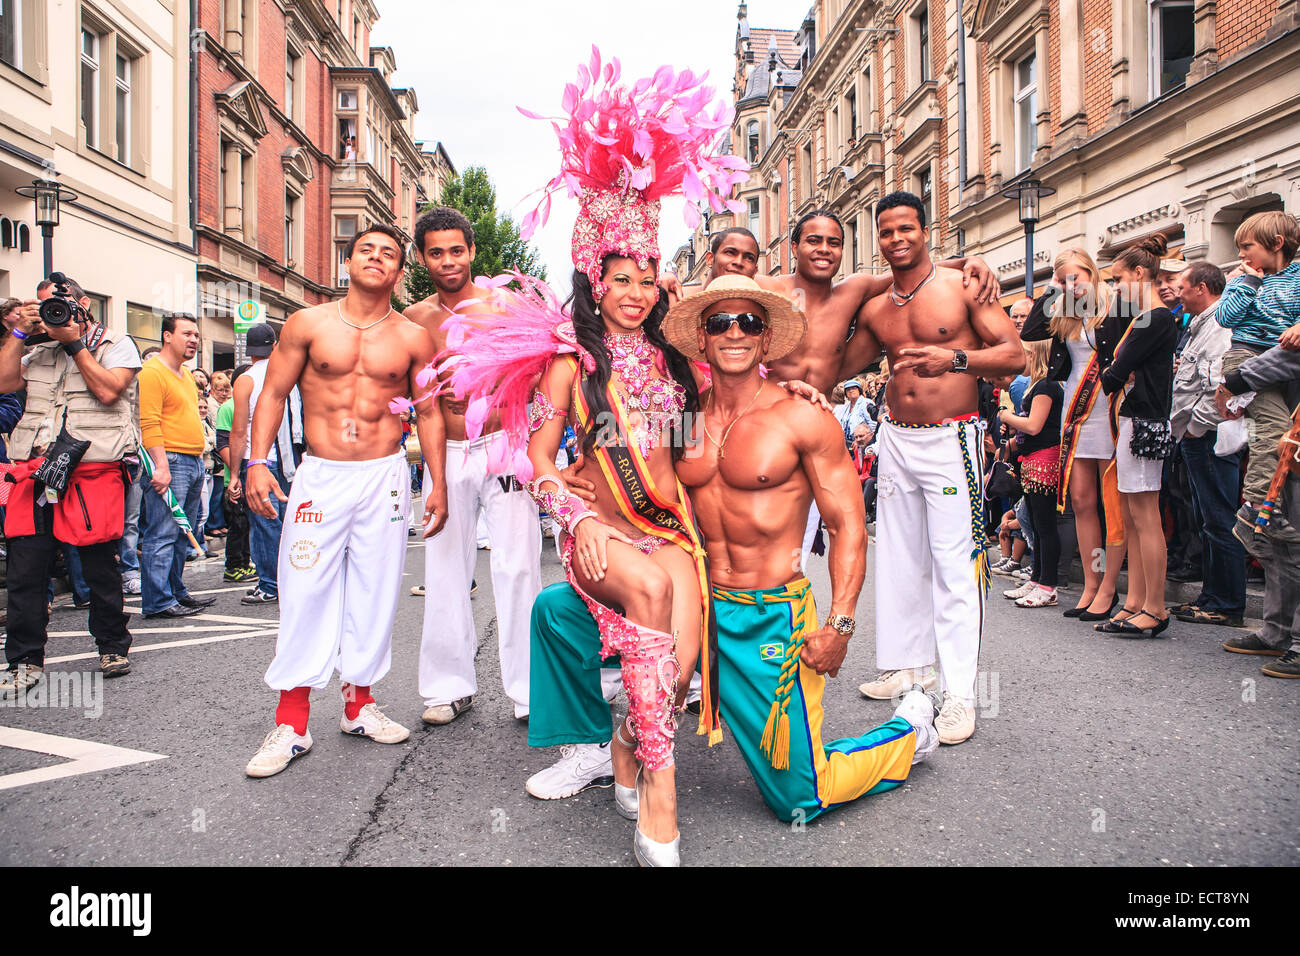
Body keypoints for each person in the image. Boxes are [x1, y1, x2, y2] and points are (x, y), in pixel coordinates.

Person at [444, 55, 753, 865]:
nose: (638, 291)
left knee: (677, 667)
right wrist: (574, 512)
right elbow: (538, 459)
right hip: (601, 531)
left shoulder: (679, 362)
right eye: (623, 278)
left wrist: (713, 439)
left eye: (649, 277)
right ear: (595, 277)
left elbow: (683, 463)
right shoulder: (568, 360)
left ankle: (626, 744)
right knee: (646, 594)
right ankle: (661, 790)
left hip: (669, 528)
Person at [525, 274, 938, 828]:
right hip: (695, 595)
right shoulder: (685, 415)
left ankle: (910, 728)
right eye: (721, 322)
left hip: (767, 614)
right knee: (556, 610)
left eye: (750, 322)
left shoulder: (800, 415)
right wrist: (578, 484)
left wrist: (840, 623)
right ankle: (608, 745)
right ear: (702, 337)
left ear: (767, 340)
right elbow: (644, 478)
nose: (735, 332)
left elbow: (848, 523)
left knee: (797, 796)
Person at [243, 223, 446, 778]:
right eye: (366, 250)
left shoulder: (411, 338)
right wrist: (256, 462)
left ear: (399, 273)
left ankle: (359, 705)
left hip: (383, 476)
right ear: (348, 262)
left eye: (389, 254)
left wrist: (439, 483)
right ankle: (292, 721)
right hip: (322, 476)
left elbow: (427, 412)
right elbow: (273, 394)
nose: (377, 259)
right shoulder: (308, 323)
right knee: (305, 586)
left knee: (375, 589)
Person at [847, 191, 1025, 745]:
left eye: (906, 228)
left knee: (956, 566)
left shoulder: (962, 286)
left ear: (925, 229)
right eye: (886, 232)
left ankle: (961, 695)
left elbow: (1015, 355)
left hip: (955, 439)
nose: (897, 239)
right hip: (897, 438)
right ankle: (911, 670)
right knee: (901, 561)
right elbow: (834, 359)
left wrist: (954, 359)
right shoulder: (877, 306)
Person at [404, 206, 541, 725]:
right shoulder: (416, 320)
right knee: (443, 568)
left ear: (473, 251)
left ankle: (529, 692)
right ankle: (447, 687)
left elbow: (540, 374)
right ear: (422, 258)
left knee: (519, 567)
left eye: (456, 250)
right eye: (436, 253)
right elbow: (421, 403)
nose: (447, 261)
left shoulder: (505, 307)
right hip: (447, 453)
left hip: (505, 445)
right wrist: (435, 477)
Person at [0, 275, 140, 694]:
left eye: (58, 304)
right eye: (42, 305)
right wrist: (18, 333)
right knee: (25, 567)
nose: (50, 312)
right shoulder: (33, 348)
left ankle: (112, 645)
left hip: (90, 470)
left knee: (98, 563)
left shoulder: (117, 343)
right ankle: (25, 660)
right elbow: (4, 384)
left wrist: (76, 344)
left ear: (83, 305)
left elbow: (110, 391)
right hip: (34, 469)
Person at [1020, 248, 1129, 620]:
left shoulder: (1115, 307)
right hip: (1076, 410)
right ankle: (1091, 585)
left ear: (1091, 273)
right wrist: (1051, 289)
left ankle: (1110, 588)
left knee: (1110, 504)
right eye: (1064, 279)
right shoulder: (1065, 314)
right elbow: (1030, 330)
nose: (1072, 285)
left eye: (1076, 277)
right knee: (1082, 502)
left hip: (1107, 407)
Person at [1096, 235, 1179, 637]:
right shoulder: (1142, 317)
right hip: (1137, 418)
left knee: (1145, 516)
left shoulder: (1155, 318)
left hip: (1145, 419)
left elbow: (1113, 371)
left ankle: (1156, 606)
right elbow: (1110, 359)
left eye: (1118, 280)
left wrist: (1116, 370)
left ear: (1140, 274)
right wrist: (1115, 369)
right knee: (1133, 514)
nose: (1115, 288)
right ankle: (1136, 600)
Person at [1215, 329, 1300, 677]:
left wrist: (1235, 379)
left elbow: (1285, 359)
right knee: (1283, 544)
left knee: (1293, 544)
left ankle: (1295, 641)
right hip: (1292, 437)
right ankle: (1276, 633)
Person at [1215, 210, 1300, 536]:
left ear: (1276, 243)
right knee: (1273, 427)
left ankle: (1271, 510)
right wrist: (1248, 282)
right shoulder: (1241, 279)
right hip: (1245, 358)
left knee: (1283, 438)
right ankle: (1255, 505)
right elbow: (1225, 317)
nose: (1240, 254)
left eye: (1246, 245)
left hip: (1281, 363)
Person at [1168, 262, 1243, 627]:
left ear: (1201, 288)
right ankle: (1212, 597)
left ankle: (1226, 603)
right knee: (1208, 519)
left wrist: (1196, 428)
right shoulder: (1200, 326)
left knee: (1219, 519)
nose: (1177, 293)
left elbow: (1218, 387)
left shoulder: (1217, 326)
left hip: (1209, 438)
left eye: (1182, 286)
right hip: (1196, 437)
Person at [136, 314, 215, 619]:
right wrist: (159, 466)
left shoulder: (183, 373)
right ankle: (158, 600)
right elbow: (149, 421)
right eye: (186, 334)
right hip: (170, 460)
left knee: (184, 532)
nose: (193, 339)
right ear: (167, 336)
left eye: (196, 335)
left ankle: (175, 591)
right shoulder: (153, 372)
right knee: (163, 533)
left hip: (193, 460)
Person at [227, 323, 304, 606]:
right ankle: (290, 579)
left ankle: (271, 584)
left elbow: (238, 431)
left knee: (264, 523)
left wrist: (235, 473)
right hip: (290, 459)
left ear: (249, 352)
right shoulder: (291, 378)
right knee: (288, 522)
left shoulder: (245, 380)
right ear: (274, 346)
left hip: (258, 459)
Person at [998, 340, 1064, 607]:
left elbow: (1034, 425)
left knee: (1045, 525)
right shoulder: (1039, 385)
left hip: (1044, 459)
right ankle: (1037, 580)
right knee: (1035, 523)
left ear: (1035, 355)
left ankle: (1047, 585)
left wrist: (1006, 416)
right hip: (1032, 459)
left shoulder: (1047, 385)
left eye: (1023, 353)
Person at [216, 364, 254, 582]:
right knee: (237, 524)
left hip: (250, 474)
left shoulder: (252, 406)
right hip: (235, 478)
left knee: (248, 523)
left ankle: (245, 563)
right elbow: (223, 443)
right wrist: (237, 474)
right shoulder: (228, 407)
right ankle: (233, 566)